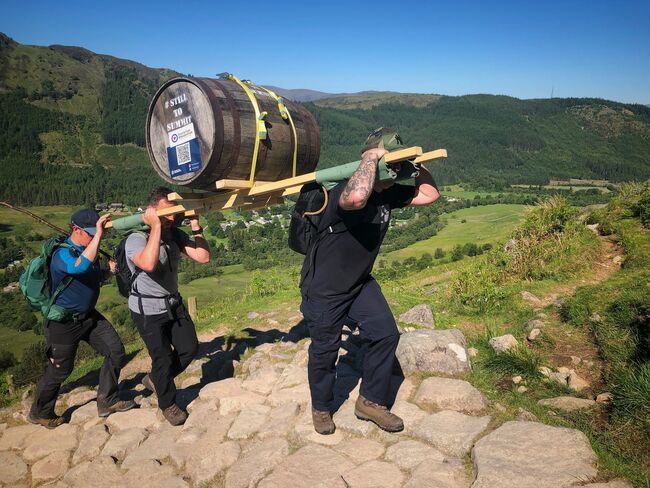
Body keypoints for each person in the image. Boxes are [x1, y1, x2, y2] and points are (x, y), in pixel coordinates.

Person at [300, 130, 440, 434]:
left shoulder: (387, 193)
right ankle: (321, 407)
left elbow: (430, 195)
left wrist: (417, 166)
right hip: (325, 290)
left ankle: (370, 401)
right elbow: (356, 197)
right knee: (325, 352)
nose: (398, 171)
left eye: (399, 165)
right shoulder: (341, 191)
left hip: (360, 283)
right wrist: (371, 158)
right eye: (394, 163)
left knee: (386, 333)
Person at [29, 209, 135, 429]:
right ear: (76, 230)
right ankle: (40, 412)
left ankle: (107, 400)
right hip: (63, 323)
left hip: (88, 317)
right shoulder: (62, 254)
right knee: (60, 371)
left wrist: (109, 273)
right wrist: (97, 237)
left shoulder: (89, 250)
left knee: (115, 351)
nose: (95, 237)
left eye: (97, 233)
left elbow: (93, 278)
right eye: (90, 233)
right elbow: (80, 267)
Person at [125, 187, 210, 426]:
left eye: (175, 212)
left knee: (189, 347)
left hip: (173, 303)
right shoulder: (136, 238)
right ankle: (168, 403)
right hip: (148, 310)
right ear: (152, 211)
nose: (173, 218)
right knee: (161, 357)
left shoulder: (174, 234)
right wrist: (155, 227)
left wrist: (195, 225)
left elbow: (203, 257)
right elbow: (148, 263)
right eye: (167, 213)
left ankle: (156, 380)